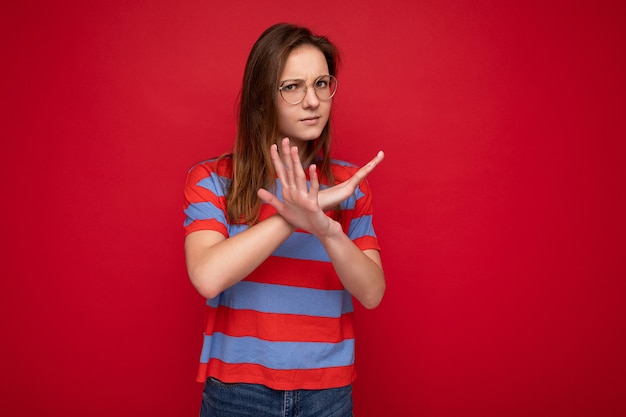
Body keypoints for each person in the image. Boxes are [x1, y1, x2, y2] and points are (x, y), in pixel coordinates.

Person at [183, 22, 385, 417]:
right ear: (261, 100)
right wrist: (293, 218)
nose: (313, 100)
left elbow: (372, 293)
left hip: (327, 393)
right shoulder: (213, 179)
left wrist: (327, 229)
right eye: (292, 87)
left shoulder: (348, 185)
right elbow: (207, 275)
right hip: (238, 393)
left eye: (322, 84)